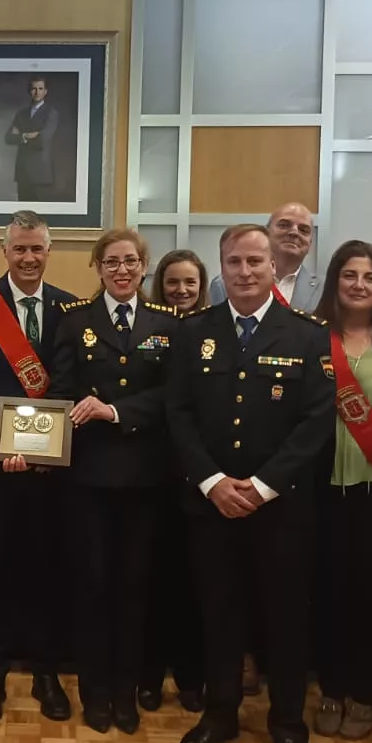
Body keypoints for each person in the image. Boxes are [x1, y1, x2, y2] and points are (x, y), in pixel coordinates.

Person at [168, 224, 334, 743]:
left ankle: (288, 723)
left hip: (280, 508)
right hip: (212, 505)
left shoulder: (307, 335)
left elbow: (314, 423)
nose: (244, 272)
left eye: (255, 262)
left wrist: (262, 487)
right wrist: (213, 482)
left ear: (272, 267)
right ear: (222, 267)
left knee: (285, 617)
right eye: (235, 262)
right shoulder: (194, 331)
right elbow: (179, 414)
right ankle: (219, 714)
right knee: (218, 613)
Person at [51, 228, 178, 734]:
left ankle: (125, 693)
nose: (122, 270)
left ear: (144, 266)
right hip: (89, 479)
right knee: (93, 587)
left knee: (134, 589)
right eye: (111, 262)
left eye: (130, 262)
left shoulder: (167, 324)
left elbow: (174, 395)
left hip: (146, 479)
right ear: (97, 268)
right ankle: (95, 693)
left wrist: (116, 409)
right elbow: (60, 389)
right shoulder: (73, 321)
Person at [0, 210, 75, 725]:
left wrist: (56, 445)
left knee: (48, 575)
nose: (28, 258)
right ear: (5, 252)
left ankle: (47, 674)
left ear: (49, 252)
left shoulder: (70, 307)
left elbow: (70, 381)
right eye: (19, 249)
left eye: (37, 249)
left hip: (52, 475)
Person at [312, 240, 372, 742]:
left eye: (368, 277)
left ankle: (365, 693)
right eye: (349, 275)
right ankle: (331, 689)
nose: (359, 285)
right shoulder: (310, 335)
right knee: (327, 592)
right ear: (335, 281)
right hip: (322, 486)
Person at [139, 249, 208, 712]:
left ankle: (190, 676)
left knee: (196, 585)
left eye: (190, 283)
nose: (181, 291)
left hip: (201, 479)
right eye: (172, 283)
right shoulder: (149, 328)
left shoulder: (216, 333)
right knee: (150, 581)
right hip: (151, 473)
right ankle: (147, 676)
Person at [208, 202, 321, 311]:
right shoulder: (223, 284)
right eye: (284, 225)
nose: (294, 232)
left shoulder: (324, 289)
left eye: (303, 230)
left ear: (310, 243)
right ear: (266, 233)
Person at [4, 77, 59, 201]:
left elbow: (42, 140)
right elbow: (8, 138)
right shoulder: (21, 114)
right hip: (23, 172)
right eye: (34, 88)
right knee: (23, 214)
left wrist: (20, 135)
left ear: (46, 91)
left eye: (40, 89)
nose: (37, 92)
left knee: (40, 215)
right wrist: (26, 135)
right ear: (29, 91)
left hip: (41, 173)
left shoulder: (51, 113)